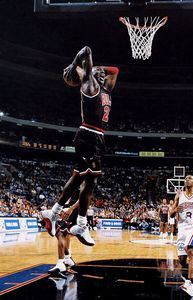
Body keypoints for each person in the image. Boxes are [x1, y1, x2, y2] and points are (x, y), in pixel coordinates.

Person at [41, 46, 119, 247]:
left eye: (102, 73)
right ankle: (70, 219)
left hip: (97, 138)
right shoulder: (89, 87)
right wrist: (81, 62)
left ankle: (67, 218)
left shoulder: (106, 89)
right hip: (88, 135)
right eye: (98, 72)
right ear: (90, 75)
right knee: (84, 180)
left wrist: (98, 68)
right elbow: (87, 54)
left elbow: (115, 70)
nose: (102, 74)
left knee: (84, 180)